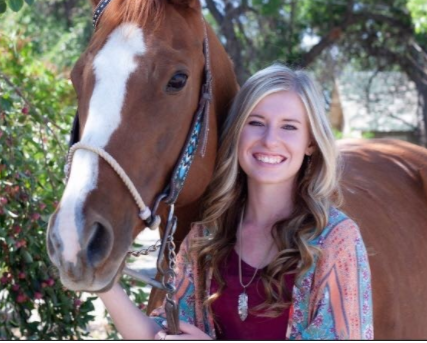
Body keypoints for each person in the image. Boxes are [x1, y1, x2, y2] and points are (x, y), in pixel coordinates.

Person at [98, 63, 373, 340]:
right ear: (237, 133)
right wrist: (102, 281)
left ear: (310, 143)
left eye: (289, 127)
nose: (270, 140)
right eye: (256, 123)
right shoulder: (207, 236)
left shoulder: (335, 240)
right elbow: (161, 336)